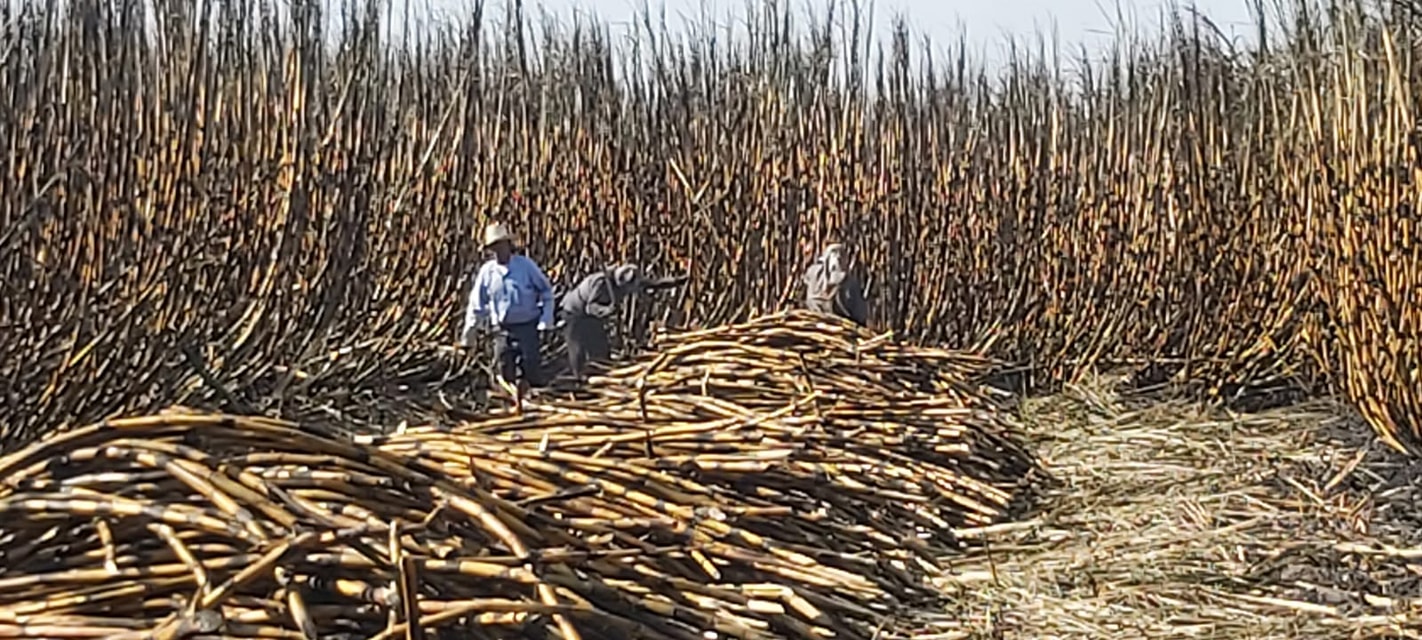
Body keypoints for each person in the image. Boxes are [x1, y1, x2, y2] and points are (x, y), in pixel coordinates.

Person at [462, 222, 555, 393]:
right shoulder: (487, 272)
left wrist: (545, 320)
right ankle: (508, 402)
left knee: (531, 367)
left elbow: (546, 292)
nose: (498, 251)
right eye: (494, 247)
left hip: (527, 326)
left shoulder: (525, 266)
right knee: (503, 369)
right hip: (502, 330)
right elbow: (476, 305)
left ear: (508, 245)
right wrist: (469, 335)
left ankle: (534, 401)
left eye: (501, 245)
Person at [558, 264, 688, 381]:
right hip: (573, 312)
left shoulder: (629, 280)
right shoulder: (601, 284)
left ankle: (602, 375)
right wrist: (607, 310)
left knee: (600, 346)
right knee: (577, 347)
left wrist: (677, 281)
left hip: (592, 317)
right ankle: (578, 379)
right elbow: (590, 307)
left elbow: (653, 283)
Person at [803, 242, 868, 326]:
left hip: (841, 325)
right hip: (819, 322)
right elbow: (860, 315)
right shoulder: (814, 274)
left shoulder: (849, 283)